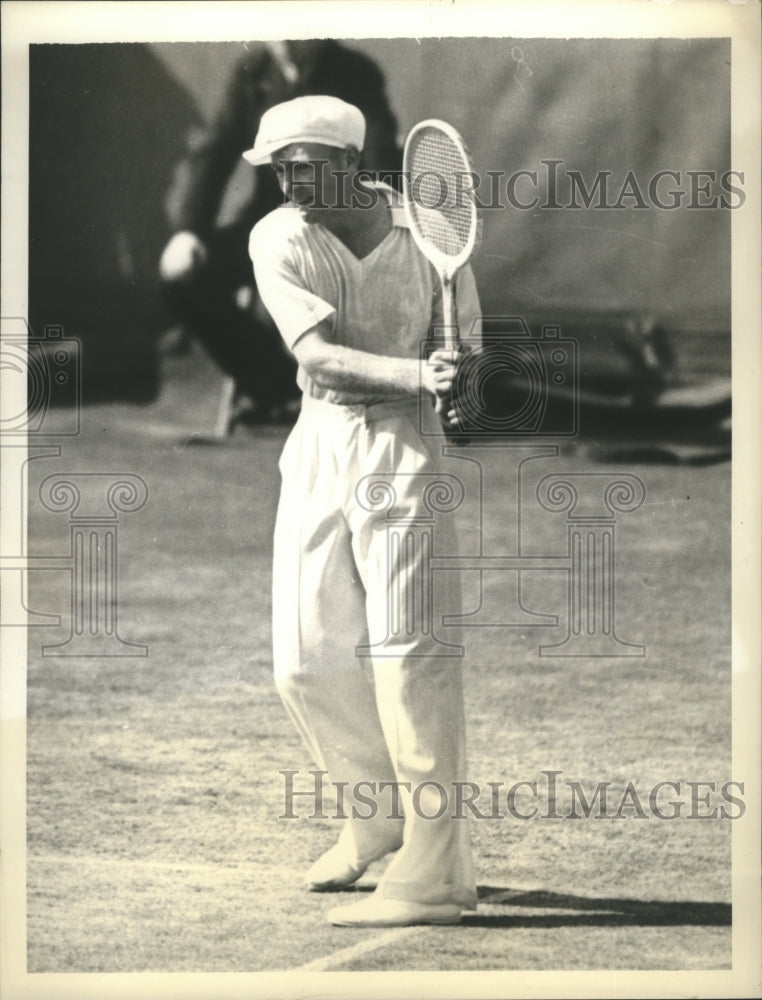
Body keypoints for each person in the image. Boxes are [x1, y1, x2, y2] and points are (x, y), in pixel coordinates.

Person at [246, 95, 481, 927]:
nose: (287, 181)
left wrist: (458, 384)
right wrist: (423, 375)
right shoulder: (277, 236)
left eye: (302, 165)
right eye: (278, 168)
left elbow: (471, 364)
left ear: (350, 162)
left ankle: (437, 867)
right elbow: (316, 358)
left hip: (405, 452)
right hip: (319, 441)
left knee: (410, 658)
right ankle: (374, 815)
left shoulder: (431, 239)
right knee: (305, 660)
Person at [159, 41, 401, 427]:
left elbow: (379, 150)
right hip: (268, 221)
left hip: (339, 220)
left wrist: (374, 218)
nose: (286, 37)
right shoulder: (251, 73)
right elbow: (215, 153)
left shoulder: (354, 72)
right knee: (183, 279)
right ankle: (279, 390)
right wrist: (188, 230)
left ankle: (353, 388)